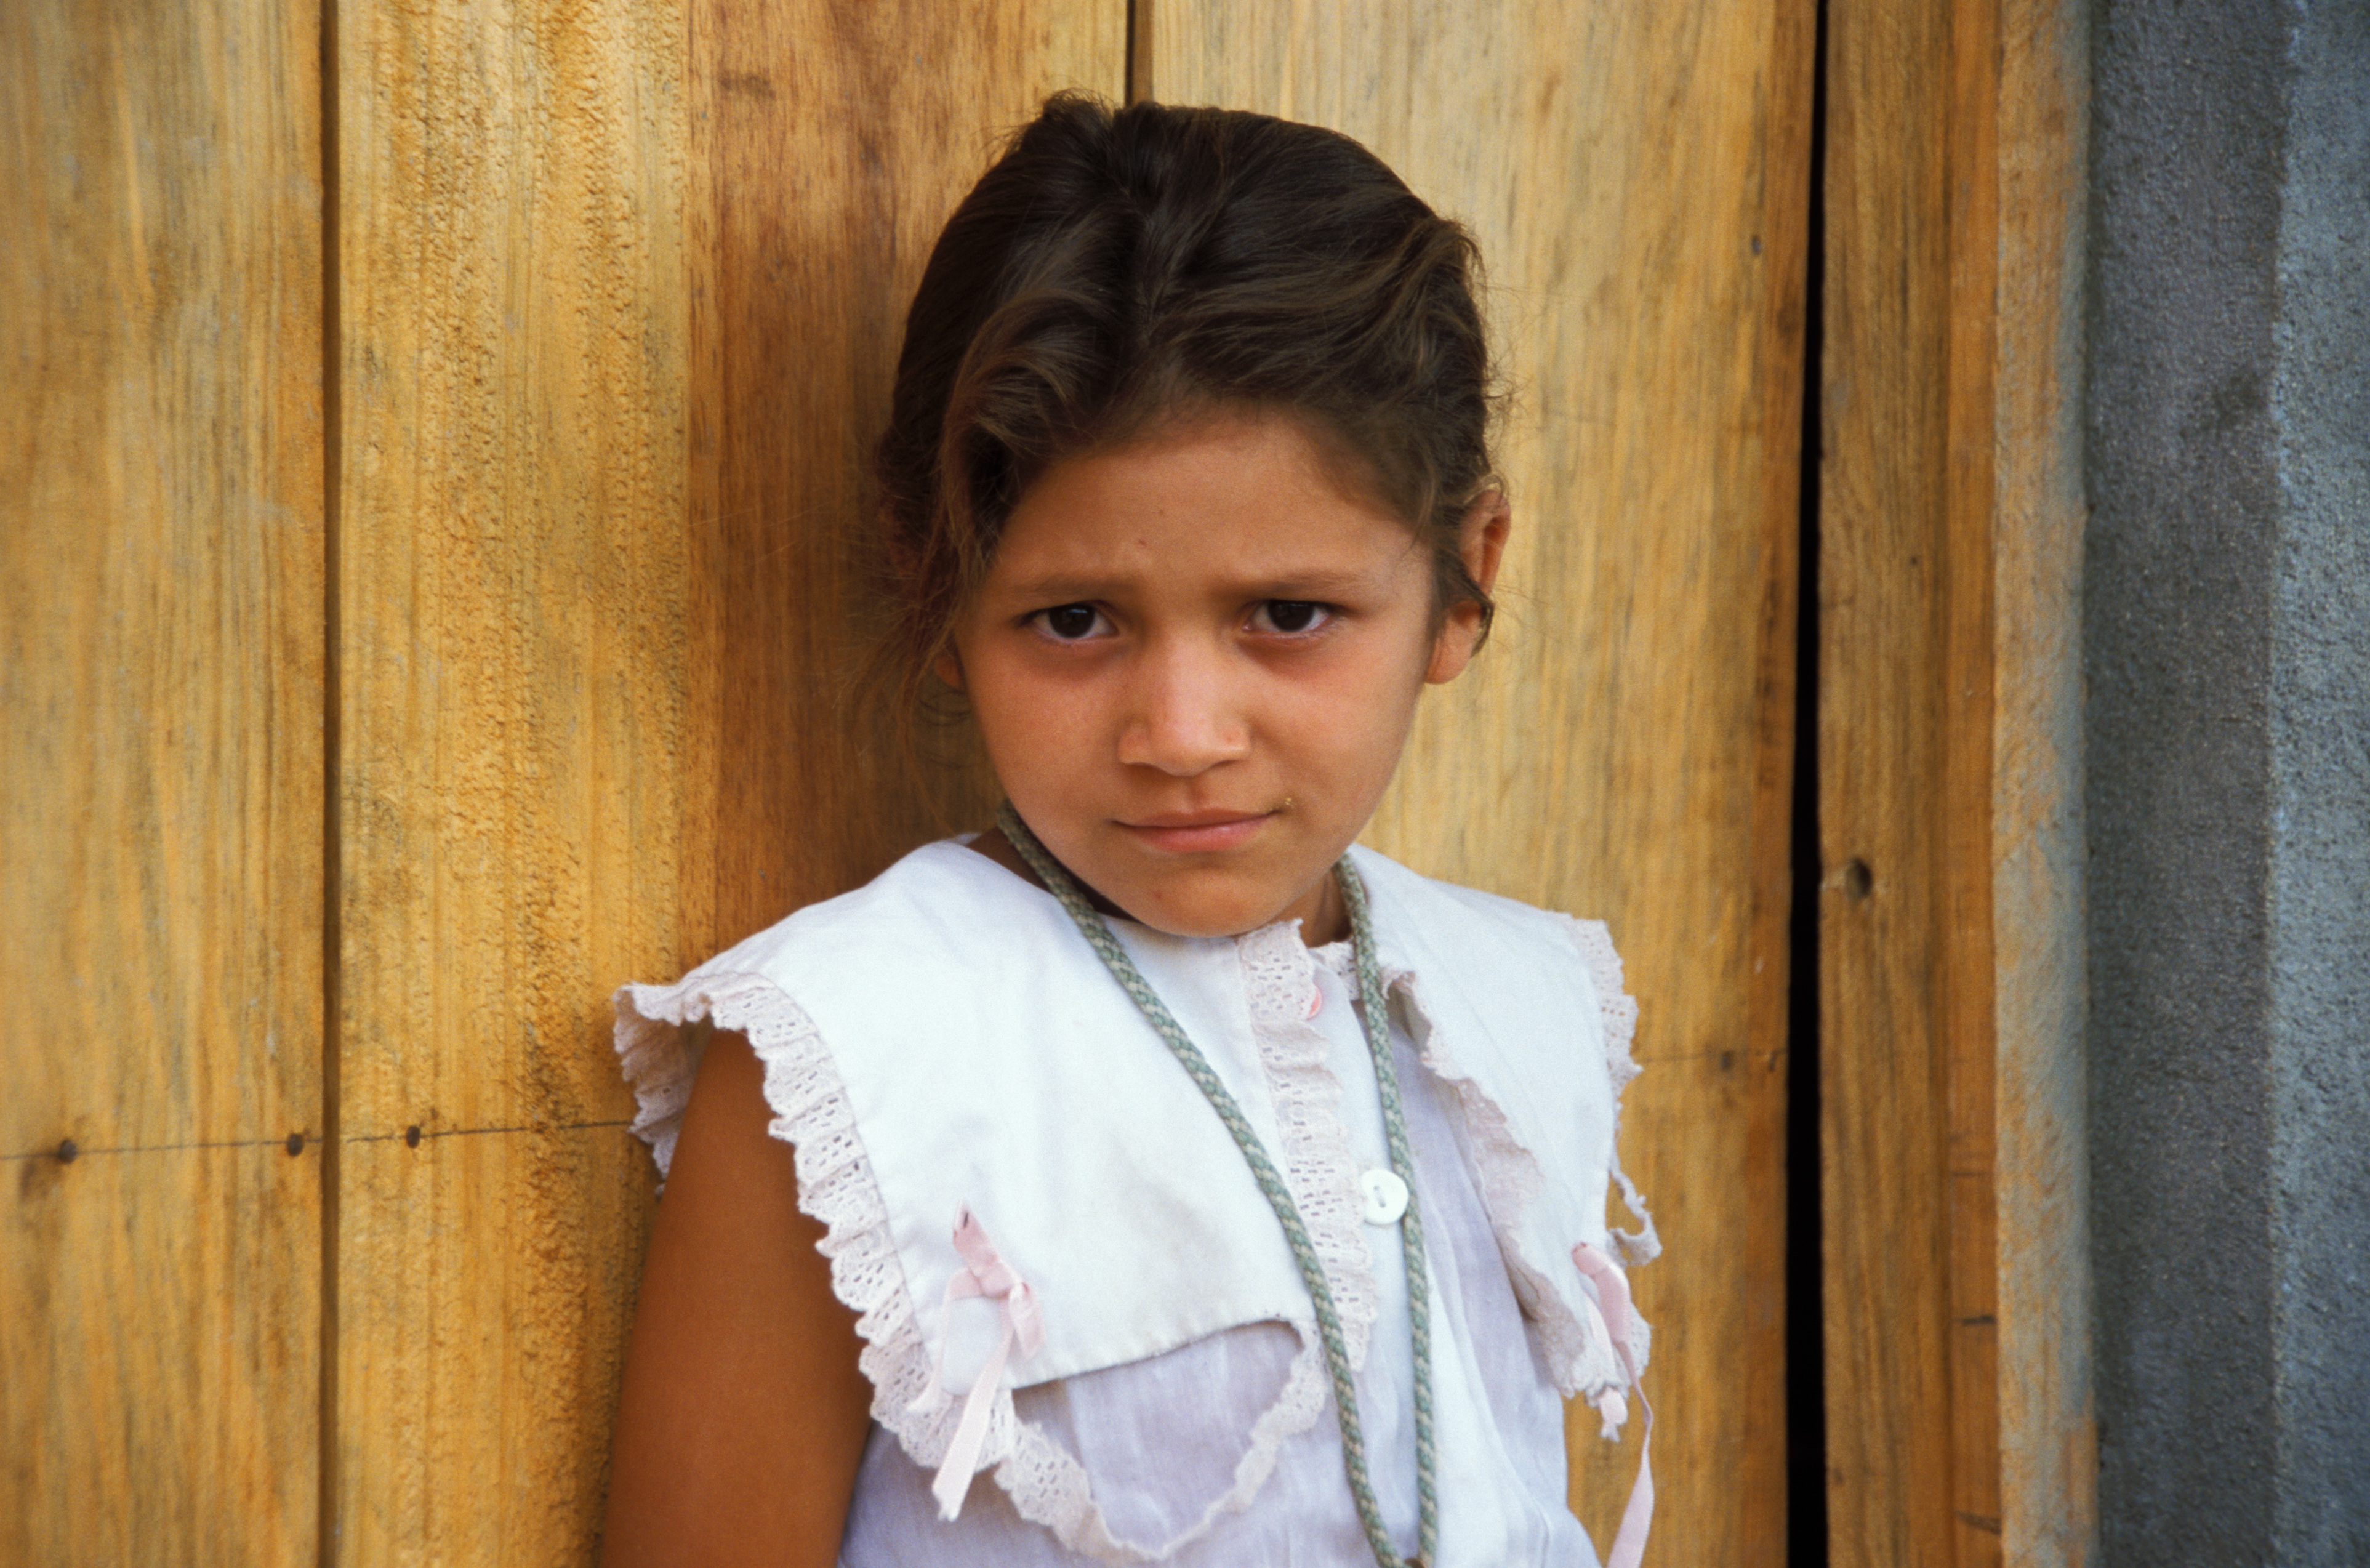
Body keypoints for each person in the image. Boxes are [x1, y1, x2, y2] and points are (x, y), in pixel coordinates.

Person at [599, 94, 1657, 1568]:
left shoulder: (1511, 1014)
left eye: (1286, 613)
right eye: (1075, 620)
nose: (1181, 732)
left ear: (1460, 581)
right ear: (938, 585)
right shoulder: (851, 1058)